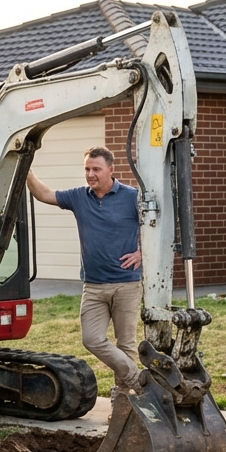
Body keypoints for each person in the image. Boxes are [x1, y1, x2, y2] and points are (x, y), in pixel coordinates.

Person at [26, 146, 146, 391]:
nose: (91, 174)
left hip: (127, 283)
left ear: (111, 170)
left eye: (96, 169)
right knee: (91, 339)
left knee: (126, 344)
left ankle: (124, 399)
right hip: (93, 285)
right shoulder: (79, 197)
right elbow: (44, 194)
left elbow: (158, 224)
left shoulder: (132, 196)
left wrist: (142, 252)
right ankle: (138, 379)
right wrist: (25, 170)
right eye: (87, 169)